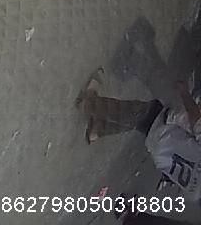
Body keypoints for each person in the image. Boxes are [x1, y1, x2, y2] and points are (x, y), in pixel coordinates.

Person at [77, 69, 201, 207]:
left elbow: (197, 121)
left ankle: (89, 103)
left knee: (135, 112)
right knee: (138, 122)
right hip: (162, 155)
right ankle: (99, 129)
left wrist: (185, 93)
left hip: (167, 132)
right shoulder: (195, 196)